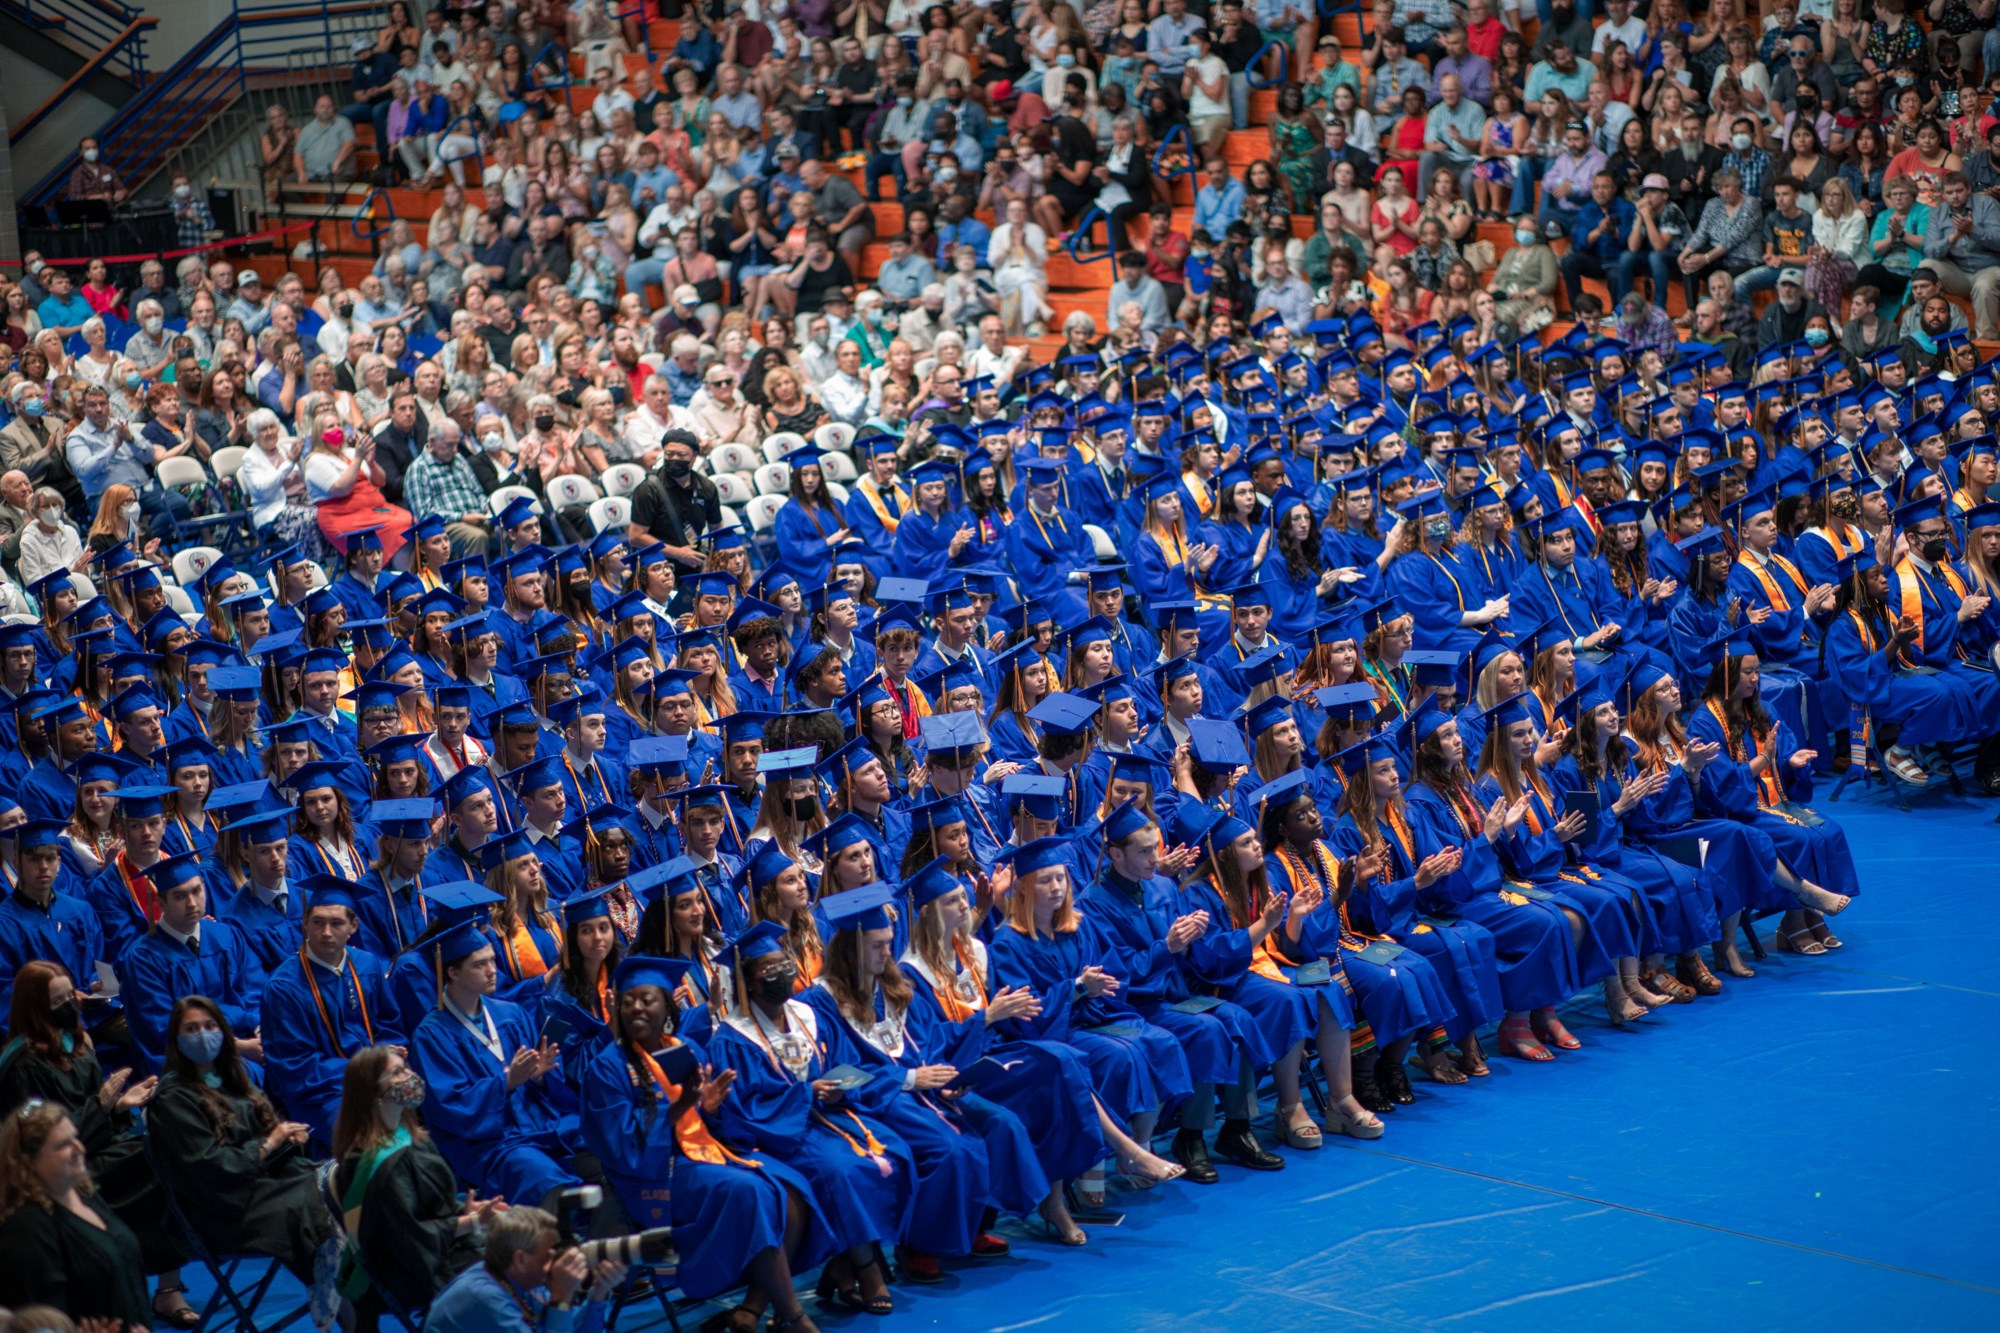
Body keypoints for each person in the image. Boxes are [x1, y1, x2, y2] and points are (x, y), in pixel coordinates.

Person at [330, 1044, 495, 1321]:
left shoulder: (409, 1136)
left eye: (406, 1069)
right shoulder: (378, 1164)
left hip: (441, 1247)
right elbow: (410, 1237)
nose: (410, 1077)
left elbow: (429, 1208)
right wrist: (473, 1222)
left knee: (527, 1228)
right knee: (519, 1256)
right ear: (373, 1091)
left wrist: (468, 1210)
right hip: (416, 1270)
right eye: (398, 1072)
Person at [0, 1101, 153, 1330]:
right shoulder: (26, 1229)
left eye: (75, 1137)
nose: (79, 1149)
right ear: (28, 1161)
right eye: (63, 1145)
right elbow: (42, 1323)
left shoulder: (83, 1193)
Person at [424, 1206, 626, 1333]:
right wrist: (561, 1298)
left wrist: (598, 1292)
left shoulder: (522, 1280)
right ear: (520, 1259)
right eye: (550, 1253)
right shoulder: (483, 1298)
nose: (558, 1261)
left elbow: (568, 1327)